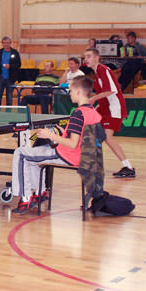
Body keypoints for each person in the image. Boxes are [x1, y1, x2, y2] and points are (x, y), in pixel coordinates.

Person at [11, 76, 102, 214]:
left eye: (71, 91)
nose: (70, 93)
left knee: (20, 153)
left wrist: (50, 136)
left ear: (78, 92)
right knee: (34, 156)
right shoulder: (93, 112)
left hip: (68, 155)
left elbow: (73, 144)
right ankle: (40, 193)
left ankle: (26, 198)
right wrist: (61, 131)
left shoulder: (78, 113)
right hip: (85, 156)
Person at [84, 48, 135, 178]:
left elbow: (111, 90)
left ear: (97, 57)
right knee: (95, 133)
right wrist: (98, 105)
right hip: (105, 108)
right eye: (85, 57)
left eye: (89, 56)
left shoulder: (103, 69)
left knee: (107, 137)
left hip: (114, 108)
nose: (86, 59)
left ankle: (128, 167)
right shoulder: (97, 73)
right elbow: (104, 94)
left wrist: (93, 99)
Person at [0, 36, 21, 106]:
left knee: (9, 98)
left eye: (8, 43)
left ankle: (8, 111)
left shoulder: (15, 53)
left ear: (10, 43)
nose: (6, 44)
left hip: (10, 78)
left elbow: (18, 64)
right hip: (0, 77)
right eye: (4, 43)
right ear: (2, 44)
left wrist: (10, 66)